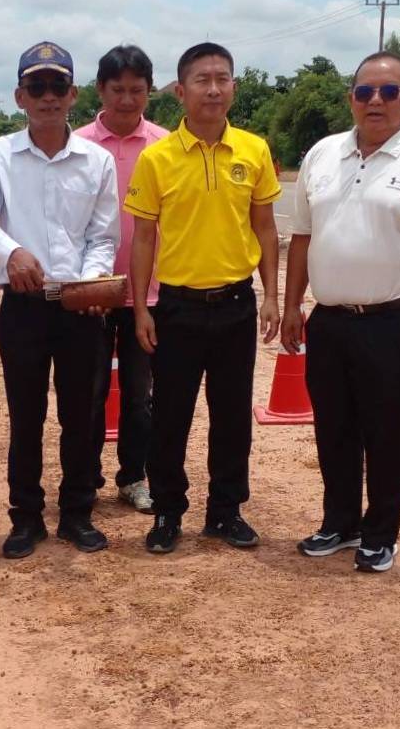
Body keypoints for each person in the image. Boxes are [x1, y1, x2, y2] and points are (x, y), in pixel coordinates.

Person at [282, 51, 400, 573]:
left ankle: (380, 533)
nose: (376, 101)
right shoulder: (323, 154)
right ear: (352, 98)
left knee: (385, 430)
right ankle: (339, 523)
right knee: (333, 428)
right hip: (330, 319)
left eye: (389, 92)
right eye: (365, 92)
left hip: (395, 321)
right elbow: (302, 237)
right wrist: (293, 304)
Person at [0, 41, 120, 558]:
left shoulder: (97, 161)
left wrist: (90, 283)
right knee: (25, 415)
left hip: (79, 309)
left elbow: (103, 235)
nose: (48, 96)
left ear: (73, 94)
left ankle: (77, 513)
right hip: (22, 308)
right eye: (37, 86)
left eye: (57, 86)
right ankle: (26, 518)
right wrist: (10, 251)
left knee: (81, 416)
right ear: (19, 96)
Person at [126, 42, 282, 554]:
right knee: (170, 416)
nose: (213, 89)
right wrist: (142, 308)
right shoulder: (157, 158)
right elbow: (143, 239)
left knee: (233, 415)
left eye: (222, 79)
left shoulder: (254, 151)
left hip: (236, 305)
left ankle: (225, 511)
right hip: (177, 307)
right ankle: (168, 512)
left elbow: (265, 228)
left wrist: (271, 296)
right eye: (202, 80)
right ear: (180, 91)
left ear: (234, 86)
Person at [74, 44, 167, 514]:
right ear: (100, 90)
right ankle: (85, 477)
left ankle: (134, 476)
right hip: (90, 292)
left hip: (147, 295)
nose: (127, 100)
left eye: (137, 90)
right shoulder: (77, 146)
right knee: (88, 392)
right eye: (118, 90)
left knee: (139, 395)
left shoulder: (166, 147)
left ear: (150, 91)